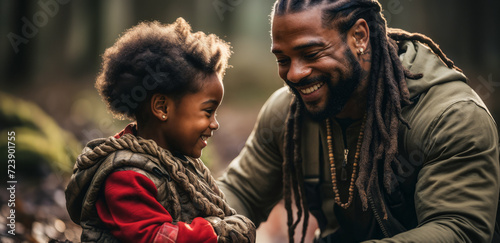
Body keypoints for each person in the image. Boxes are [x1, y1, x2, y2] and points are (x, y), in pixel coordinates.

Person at [218, 1, 500, 242]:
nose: (294, 74)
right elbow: (241, 190)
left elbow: (459, 230)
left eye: (311, 54)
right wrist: (204, 226)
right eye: (283, 59)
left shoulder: (450, 117)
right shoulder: (288, 112)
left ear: (360, 37)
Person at [65, 18, 255, 243]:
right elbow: (156, 237)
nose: (215, 124)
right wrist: (215, 232)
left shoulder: (177, 162)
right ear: (162, 107)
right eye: (208, 111)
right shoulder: (126, 176)